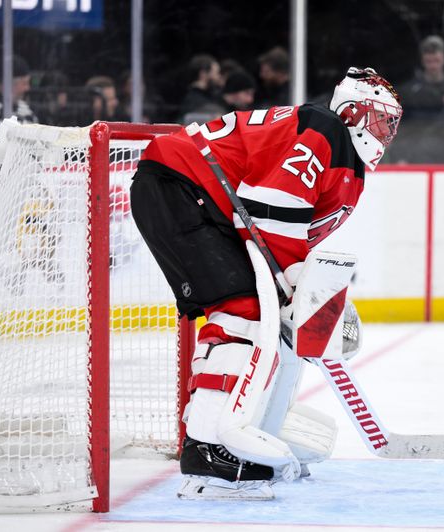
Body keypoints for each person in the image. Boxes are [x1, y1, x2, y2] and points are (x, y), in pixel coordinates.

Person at [130, 67, 401, 500]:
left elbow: (287, 231)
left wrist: (300, 298)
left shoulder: (349, 167)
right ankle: (207, 446)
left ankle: (248, 430)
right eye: (381, 120)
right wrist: (294, 293)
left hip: (203, 198)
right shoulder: (325, 131)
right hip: (181, 186)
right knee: (243, 311)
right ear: (352, 113)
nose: (387, 132)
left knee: (266, 317)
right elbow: (272, 208)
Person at [398, 35, 444, 121]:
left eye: (437, 60)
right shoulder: (410, 91)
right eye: (429, 61)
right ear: (422, 61)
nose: (433, 66)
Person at [179, 54, 223, 124]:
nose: (218, 77)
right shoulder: (193, 100)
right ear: (203, 74)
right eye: (216, 73)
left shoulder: (212, 95)